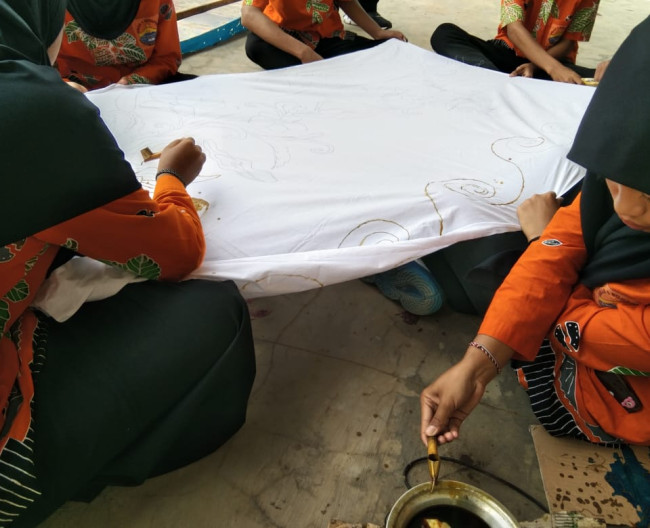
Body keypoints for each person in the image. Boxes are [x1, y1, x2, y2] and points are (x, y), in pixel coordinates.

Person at [0, 1, 256, 526]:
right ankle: (56, 467)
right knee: (214, 306)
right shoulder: (32, 111)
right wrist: (172, 179)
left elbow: (167, 60)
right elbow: (176, 251)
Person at [420, 15, 650, 447]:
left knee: (479, 266)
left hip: (599, 398)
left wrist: (538, 239)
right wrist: (475, 367)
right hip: (589, 320)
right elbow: (562, 247)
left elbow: (576, 327)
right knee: (479, 234)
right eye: (613, 179)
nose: (626, 209)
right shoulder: (621, 181)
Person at [430, 0, 600, 83]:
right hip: (506, 54)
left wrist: (538, 66)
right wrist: (553, 68)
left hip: (551, 65)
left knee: (604, 80)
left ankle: (495, 80)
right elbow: (514, 29)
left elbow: (569, 42)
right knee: (445, 33)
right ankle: (494, 78)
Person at [55, 0, 194, 92]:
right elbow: (43, 66)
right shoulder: (52, 8)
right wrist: (64, 87)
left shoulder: (154, 2)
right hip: (74, 97)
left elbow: (167, 58)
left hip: (143, 93)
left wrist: (132, 82)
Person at [241, 0, 406, 70]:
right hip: (287, 38)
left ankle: (318, 71)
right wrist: (303, 52)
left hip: (327, 37)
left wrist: (378, 32)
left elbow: (346, 1)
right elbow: (248, 14)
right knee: (257, 46)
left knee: (392, 49)